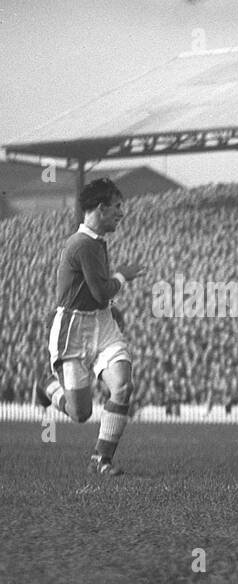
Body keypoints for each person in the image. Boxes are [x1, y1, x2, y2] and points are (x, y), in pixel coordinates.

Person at [34, 178, 144, 475]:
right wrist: (122, 275)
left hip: (101, 324)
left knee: (122, 385)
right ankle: (47, 387)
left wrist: (110, 310)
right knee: (81, 413)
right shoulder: (81, 244)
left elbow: (95, 295)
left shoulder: (94, 242)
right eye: (118, 206)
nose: (122, 213)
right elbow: (100, 291)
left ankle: (101, 459)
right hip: (73, 330)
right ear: (100, 207)